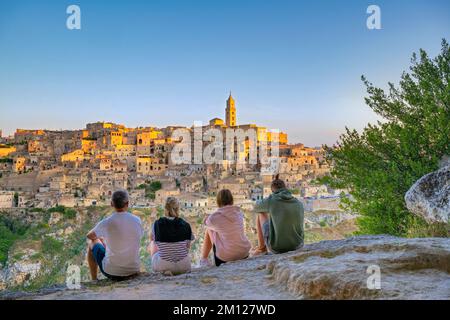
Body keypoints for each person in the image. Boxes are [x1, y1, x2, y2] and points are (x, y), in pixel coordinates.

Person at [87, 189, 144, 281]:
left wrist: (101, 238)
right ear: (127, 203)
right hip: (133, 271)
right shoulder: (137, 220)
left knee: (93, 242)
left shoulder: (107, 222)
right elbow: (138, 236)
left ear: (111, 204)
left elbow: (89, 236)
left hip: (112, 272)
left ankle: (94, 279)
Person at [252, 175, 304, 256]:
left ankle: (262, 248)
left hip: (277, 248)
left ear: (273, 190)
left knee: (261, 213)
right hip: (297, 245)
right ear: (285, 188)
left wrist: (268, 201)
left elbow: (256, 207)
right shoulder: (298, 203)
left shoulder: (272, 200)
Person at [200, 189, 251, 267]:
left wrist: (208, 218)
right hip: (244, 254)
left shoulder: (214, 218)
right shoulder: (238, 213)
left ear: (218, 201)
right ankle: (204, 259)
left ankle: (204, 259)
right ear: (231, 200)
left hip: (225, 258)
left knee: (209, 229)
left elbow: (205, 222)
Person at [150, 197, 194, 275]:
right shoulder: (186, 225)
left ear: (165, 209)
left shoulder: (157, 224)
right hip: (184, 265)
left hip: (164, 264)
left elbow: (154, 241)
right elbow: (188, 247)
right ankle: (178, 269)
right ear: (178, 209)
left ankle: (166, 270)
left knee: (152, 243)